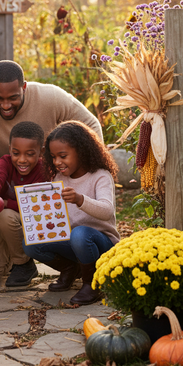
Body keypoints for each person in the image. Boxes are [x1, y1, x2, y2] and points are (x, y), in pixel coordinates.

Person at [0, 60, 103, 230]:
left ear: (24, 87)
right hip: (10, 171)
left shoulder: (51, 97)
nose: (5, 105)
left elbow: (91, 125)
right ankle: (5, 236)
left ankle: (54, 242)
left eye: (13, 98)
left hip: (52, 170)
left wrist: (78, 170)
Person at [23, 121, 119, 305]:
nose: (57, 162)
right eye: (53, 157)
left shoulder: (100, 176)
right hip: (75, 242)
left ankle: (92, 283)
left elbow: (107, 211)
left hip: (102, 245)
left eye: (63, 156)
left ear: (81, 152)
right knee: (31, 242)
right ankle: (70, 269)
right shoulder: (60, 178)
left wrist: (80, 199)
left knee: (80, 233)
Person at [0, 121, 46, 286]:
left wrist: (6, 203)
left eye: (30, 154)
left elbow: (34, 207)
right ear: (10, 149)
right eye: (16, 153)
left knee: (3, 215)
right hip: (4, 227)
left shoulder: (43, 171)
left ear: (41, 152)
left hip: (30, 224)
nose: (22, 160)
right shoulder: (6, 161)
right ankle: (14, 255)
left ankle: (23, 263)